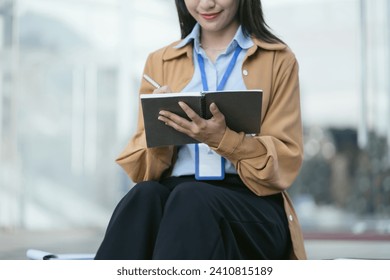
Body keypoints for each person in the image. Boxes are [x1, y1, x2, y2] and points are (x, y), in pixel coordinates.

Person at [95, 0, 306, 260]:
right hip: (177, 193)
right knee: (143, 197)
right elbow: (143, 173)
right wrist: (164, 129)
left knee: (191, 198)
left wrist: (223, 139)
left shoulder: (278, 60)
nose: (206, 3)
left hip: (250, 201)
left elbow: (284, 164)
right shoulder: (160, 61)